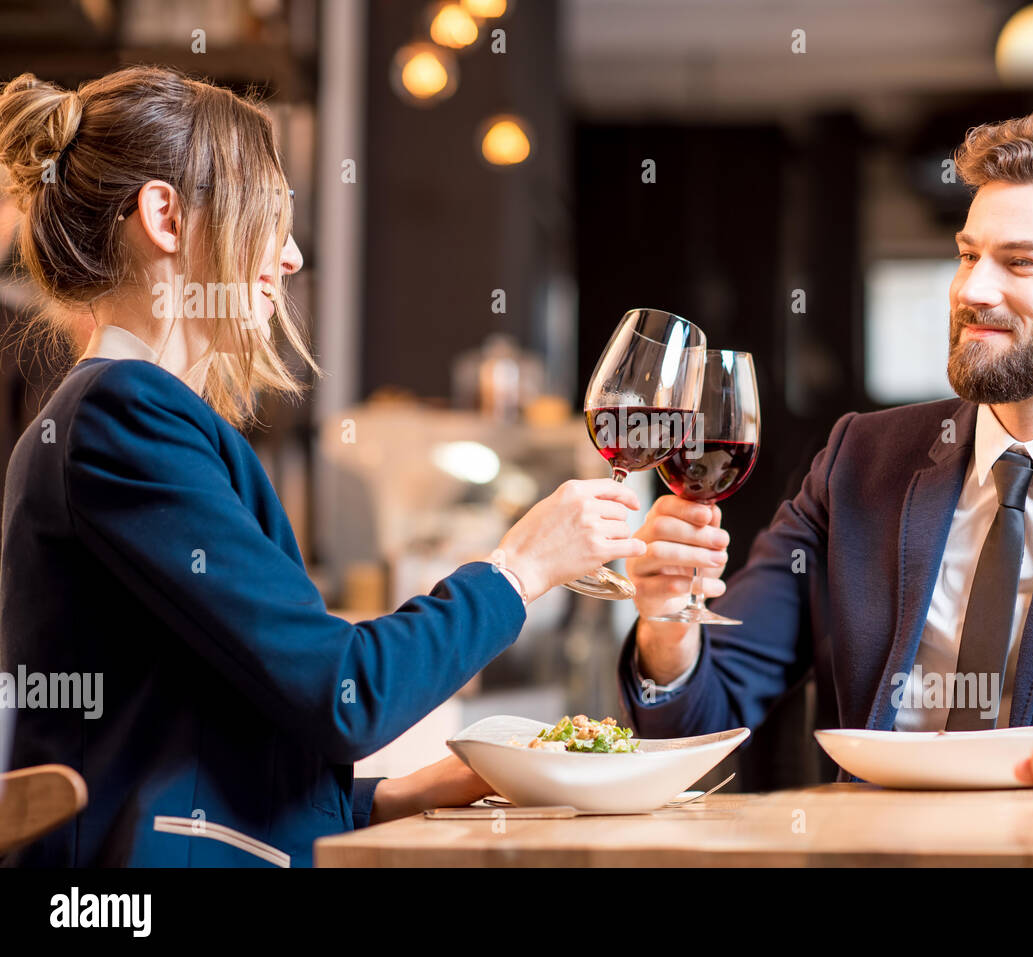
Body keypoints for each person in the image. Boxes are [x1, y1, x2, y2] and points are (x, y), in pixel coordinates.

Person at [0, 67, 646, 866]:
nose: (294, 256)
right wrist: (518, 569)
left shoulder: (123, 415)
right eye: (269, 220)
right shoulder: (121, 415)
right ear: (164, 216)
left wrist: (398, 794)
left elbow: (213, 743)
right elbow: (347, 693)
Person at [619, 112, 1033, 799]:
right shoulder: (859, 460)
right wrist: (667, 617)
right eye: (969, 254)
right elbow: (697, 720)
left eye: (1021, 262)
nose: (972, 290)